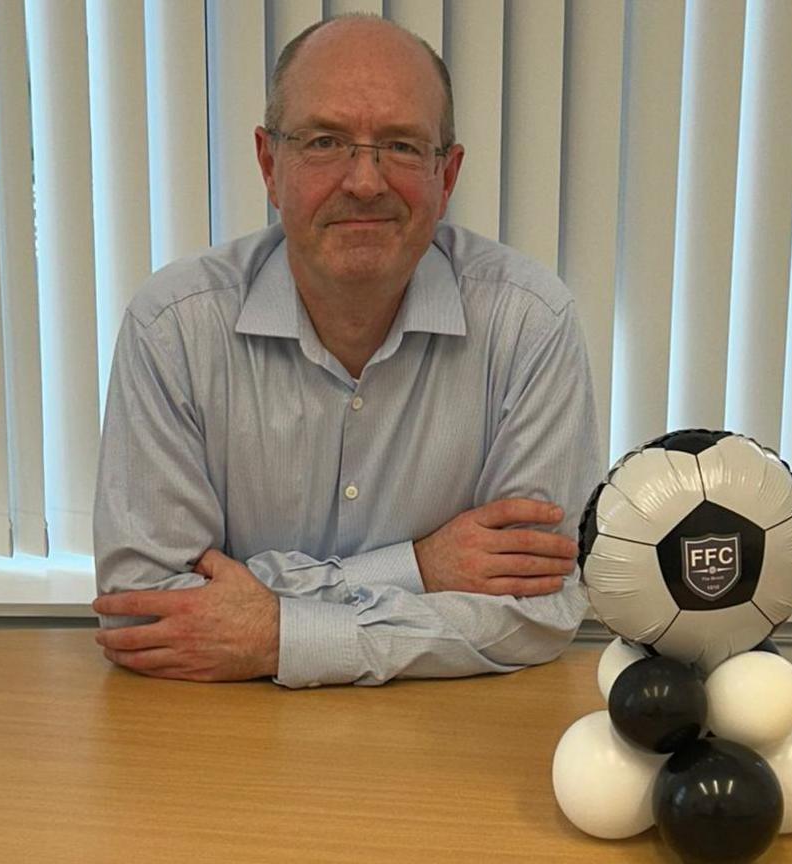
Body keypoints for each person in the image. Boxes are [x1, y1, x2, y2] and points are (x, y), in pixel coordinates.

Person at [91, 14, 601, 688]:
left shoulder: (530, 324)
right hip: (221, 741)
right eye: (326, 141)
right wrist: (419, 568)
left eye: (401, 145)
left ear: (447, 176)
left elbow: (538, 609)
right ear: (270, 165)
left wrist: (275, 632)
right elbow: (147, 613)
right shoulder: (174, 328)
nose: (365, 181)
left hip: (447, 740)